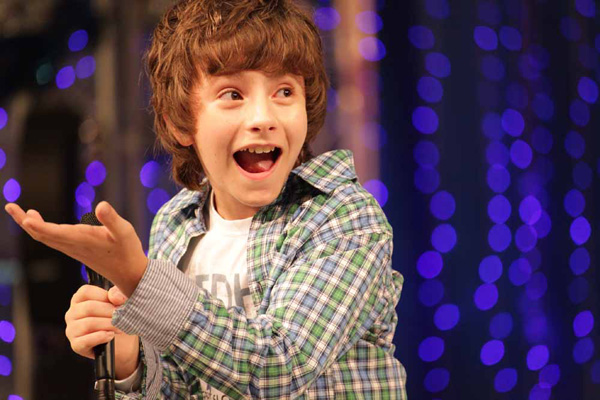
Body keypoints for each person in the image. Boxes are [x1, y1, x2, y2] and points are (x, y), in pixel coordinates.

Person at [5, 0, 407, 398]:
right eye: (233, 94)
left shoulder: (342, 216)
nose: (263, 118)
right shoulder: (175, 223)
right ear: (181, 122)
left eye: (284, 91)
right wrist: (129, 360)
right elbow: (181, 384)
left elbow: (280, 365)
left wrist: (141, 280)